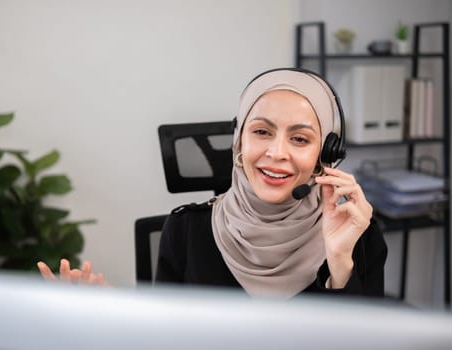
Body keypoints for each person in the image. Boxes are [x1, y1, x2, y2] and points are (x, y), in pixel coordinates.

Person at [38, 68, 387, 298]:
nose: (276, 153)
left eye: (300, 139)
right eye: (261, 132)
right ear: (239, 142)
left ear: (326, 154)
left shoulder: (356, 237)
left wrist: (341, 264)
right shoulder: (185, 230)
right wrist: (112, 317)